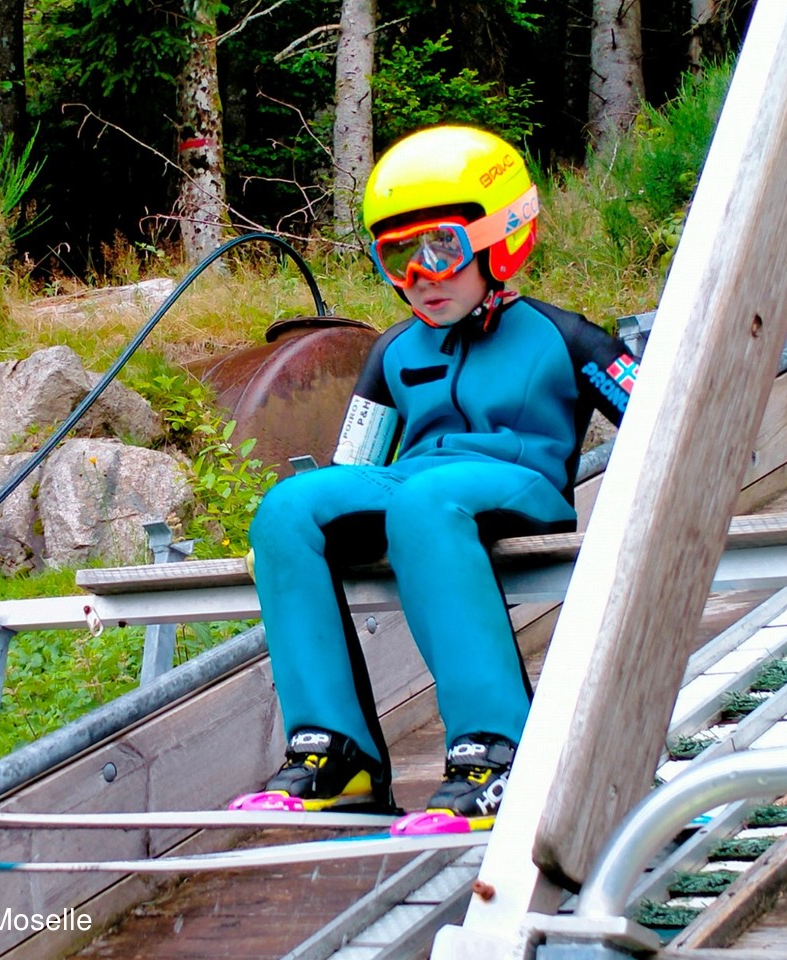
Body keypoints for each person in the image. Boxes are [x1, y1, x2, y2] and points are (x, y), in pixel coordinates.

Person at [233, 125, 638, 831]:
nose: (422, 275)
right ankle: (337, 753)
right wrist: (296, 542)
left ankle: (497, 750)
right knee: (287, 510)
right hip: (417, 487)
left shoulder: (565, 336)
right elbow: (355, 467)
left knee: (425, 501)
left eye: (442, 248)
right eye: (399, 256)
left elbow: (661, 418)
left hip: (518, 481)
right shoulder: (393, 350)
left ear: (498, 240)